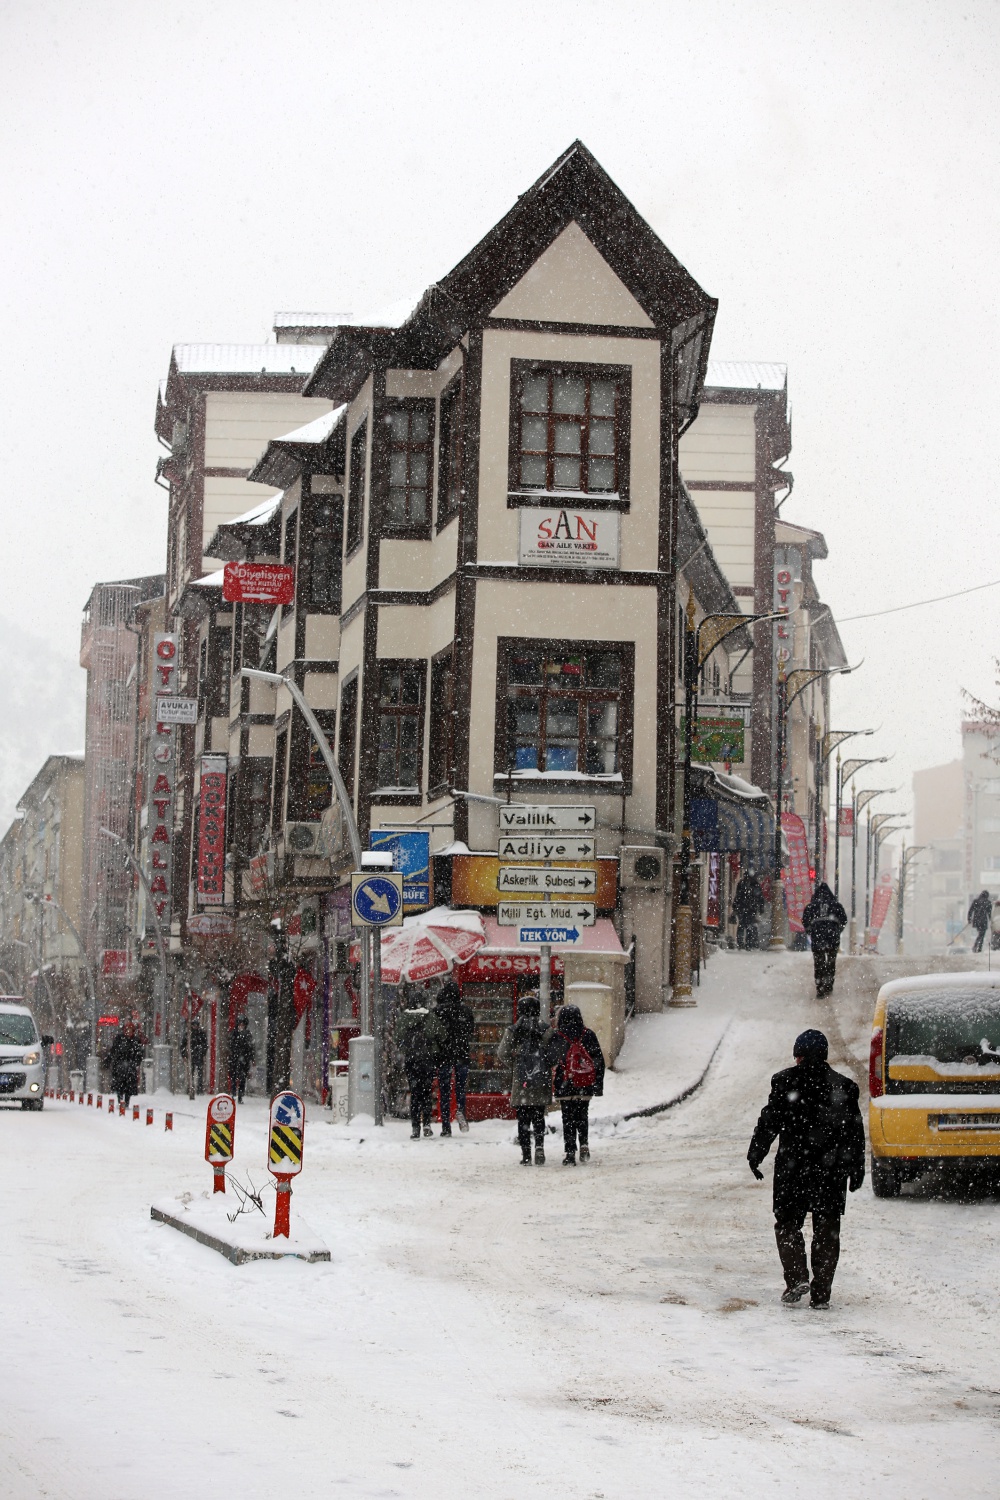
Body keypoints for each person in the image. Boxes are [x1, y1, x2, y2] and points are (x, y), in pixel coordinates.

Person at [747, 1029, 865, 1309]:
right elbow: (855, 1134)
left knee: (787, 1223)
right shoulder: (844, 1087)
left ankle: (797, 1277)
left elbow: (769, 1122)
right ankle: (821, 1293)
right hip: (830, 1170)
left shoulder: (784, 1082)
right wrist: (856, 1168)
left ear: (797, 1056)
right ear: (824, 1055)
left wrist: (756, 1153)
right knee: (827, 1229)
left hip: (793, 1167)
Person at [498, 993, 557, 1165]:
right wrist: (543, 1066)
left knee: (523, 1118)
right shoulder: (545, 1030)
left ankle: (526, 1154)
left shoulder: (513, 1030)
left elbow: (502, 1053)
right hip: (540, 1079)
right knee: (539, 1116)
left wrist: (517, 1066)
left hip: (522, 1081)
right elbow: (554, 1055)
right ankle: (539, 1147)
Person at [552, 1003, 605, 1165]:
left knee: (567, 1118)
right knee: (582, 1116)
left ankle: (569, 1153)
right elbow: (598, 1061)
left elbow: (551, 1059)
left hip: (565, 1082)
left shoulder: (558, 1035)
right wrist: (597, 1085)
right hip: (584, 1082)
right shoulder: (588, 1034)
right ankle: (584, 1145)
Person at [429, 981, 474, 1136]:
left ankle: (446, 1124)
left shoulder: (437, 1011)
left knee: (445, 1089)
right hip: (462, 1053)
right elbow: (471, 1031)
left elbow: (433, 1033)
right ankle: (460, 1109)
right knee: (460, 1087)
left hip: (443, 1055)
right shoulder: (465, 1011)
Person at [397, 1000, 440, 1139]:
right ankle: (426, 1124)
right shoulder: (431, 1017)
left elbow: (398, 1039)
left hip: (412, 1061)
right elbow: (441, 1035)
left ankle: (415, 1128)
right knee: (426, 1093)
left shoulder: (404, 1018)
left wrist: (408, 1050)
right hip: (427, 1061)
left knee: (415, 1094)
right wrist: (432, 1049)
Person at [801, 882, 848, 998]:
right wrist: (838, 929)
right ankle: (829, 984)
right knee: (831, 961)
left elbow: (805, 920)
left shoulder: (812, 906)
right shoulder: (836, 905)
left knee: (819, 961)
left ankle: (820, 985)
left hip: (817, 935)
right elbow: (844, 919)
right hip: (832, 935)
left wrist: (810, 930)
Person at [106, 1021, 144, 1108]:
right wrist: (110, 1060)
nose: (128, 1032)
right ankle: (120, 1101)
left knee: (129, 1087)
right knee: (119, 1086)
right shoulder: (119, 1039)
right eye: (127, 1030)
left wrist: (135, 1063)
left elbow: (139, 1054)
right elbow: (113, 1051)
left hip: (130, 1068)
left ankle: (126, 1102)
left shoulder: (135, 1041)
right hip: (119, 1067)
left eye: (130, 1030)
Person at [732, 868, 765, 949]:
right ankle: (744, 944)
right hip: (746, 908)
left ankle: (746, 944)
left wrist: (761, 906)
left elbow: (759, 897)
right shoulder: (748, 884)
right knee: (745, 926)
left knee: (745, 926)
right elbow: (738, 896)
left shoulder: (750, 884)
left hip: (748, 908)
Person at [229, 1015, 255, 1103]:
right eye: (240, 1024)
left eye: (243, 1024)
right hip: (234, 1059)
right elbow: (230, 1045)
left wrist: (251, 1058)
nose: (241, 1026)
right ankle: (233, 1094)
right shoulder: (234, 1033)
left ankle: (240, 1096)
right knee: (233, 1078)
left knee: (242, 1079)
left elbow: (251, 1047)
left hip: (244, 1060)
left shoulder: (248, 1034)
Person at [181, 1016, 208, 1093]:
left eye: (196, 1025)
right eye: (194, 1025)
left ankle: (199, 1089)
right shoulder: (188, 1034)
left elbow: (205, 1045)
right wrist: (184, 1055)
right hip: (191, 1056)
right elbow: (183, 1045)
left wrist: (203, 1053)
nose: (195, 1027)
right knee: (190, 1073)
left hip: (199, 1056)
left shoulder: (201, 1034)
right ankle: (190, 1088)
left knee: (199, 1073)